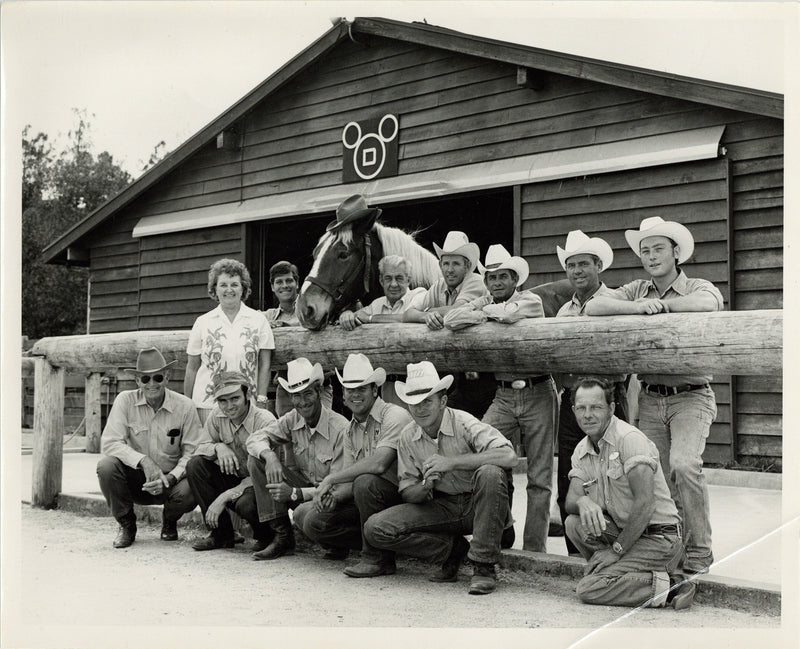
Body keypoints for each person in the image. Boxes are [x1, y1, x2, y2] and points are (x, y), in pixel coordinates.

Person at [585, 216, 723, 575]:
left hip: (690, 395)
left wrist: (663, 307)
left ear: (676, 252)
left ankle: (699, 554)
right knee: (656, 476)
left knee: (684, 465)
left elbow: (710, 303)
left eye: (658, 248)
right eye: (645, 251)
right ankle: (673, 553)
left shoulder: (696, 285)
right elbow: (594, 306)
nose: (651, 256)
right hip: (648, 396)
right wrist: (637, 307)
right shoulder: (637, 290)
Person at [364, 361, 517, 595]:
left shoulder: (464, 422)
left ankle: (484, 566)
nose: (420, 409)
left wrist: (452, 462)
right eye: (414, 403)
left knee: (490, 472)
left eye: (427, 401)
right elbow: (407, 491)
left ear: (443, 401)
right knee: (376, 528)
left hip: (478, 504)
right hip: (443, 505)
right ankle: (451, 550)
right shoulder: (407, 436)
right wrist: (425, 486)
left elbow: (509, 456)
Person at [444, 244, 556, 553]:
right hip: (504, 394)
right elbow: (452, 318)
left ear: (515, 279)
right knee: (481, 452)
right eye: (491, 278)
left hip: (537, 390)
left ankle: (534, 551)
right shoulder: (486, 300)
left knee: (539, 476)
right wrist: (485, 310)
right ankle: (498, 532)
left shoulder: (531, 299)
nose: (496, 283)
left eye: (503, 277)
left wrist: (482, 313)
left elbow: (510, 314)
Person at [565, 377, 694, 609]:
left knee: (588, 589)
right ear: (573, 411)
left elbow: (646, 504)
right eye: (581, 408)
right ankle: (623, 574)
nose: (588, 415)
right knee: (574, 523)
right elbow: (571, 500)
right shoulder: (582, 449)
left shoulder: (628, 439)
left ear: (611, 408)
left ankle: (672, 585)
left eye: (596, 407)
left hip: (659, 539)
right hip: (628, 534)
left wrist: (616, 551)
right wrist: (583, 501)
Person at [292, 353, 413, 573]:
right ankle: (388, 542)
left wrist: (330, 479)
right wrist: (333, 497)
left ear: (374, 390)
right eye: (349, 389)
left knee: (366, 482)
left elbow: (379, 464)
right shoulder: (350, 429)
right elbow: (350, 481)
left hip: (405, 497)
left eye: (361, 389)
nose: (354, 395)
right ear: (344, 395)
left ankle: (376, 558)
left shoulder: (394, 415)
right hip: (369, 499)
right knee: (306, 516)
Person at [553, 230, 629, 554]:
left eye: (583, 264)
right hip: (573, 401)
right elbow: (555, 358)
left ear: (598, 265)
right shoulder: (563, 312)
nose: (577, 271)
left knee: (615, 473)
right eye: (571, 265)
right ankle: (577, 554)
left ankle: (618, 547)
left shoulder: (617, 301)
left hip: (608, 398)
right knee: (569, 474)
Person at [96, 347, 202, 548]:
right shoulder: (124, 400)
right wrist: (144, 461)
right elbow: (110, 442)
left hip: (171, 481)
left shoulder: (186, 406)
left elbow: (192, 452)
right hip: (137, 479)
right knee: (106, 467)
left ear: (167, 377)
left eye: (158, 377)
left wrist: (171, 478)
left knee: (192, 485)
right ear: (137, 381)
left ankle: (170, 520)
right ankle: (126, 525)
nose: (152, 384)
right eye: (145, 379)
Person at [246, 357, 349, 560]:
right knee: (257, 459)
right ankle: (282, 537)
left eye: (308, 393)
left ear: (318, 392)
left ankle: (336, 542)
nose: (302, 402)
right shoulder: (293, 418)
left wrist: (294, 493)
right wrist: (270, 456)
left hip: (330, 497)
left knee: (309, 515)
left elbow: (337, 487)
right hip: (303, 490)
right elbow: (254, 439)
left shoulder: (340, 429)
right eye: (296, 395)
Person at [404, 231, 495, 417]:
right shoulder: (439, 285)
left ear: (467, 266)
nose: (450, 269)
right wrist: (426, 317)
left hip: (483, 369)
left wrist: (429, 312)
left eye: (456, 264)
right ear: (440, 265)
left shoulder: (475, 281)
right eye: (446, 263)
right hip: (459, 369)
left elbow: (455, 312)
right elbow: (408, 314)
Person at [185, 371, 278, 551]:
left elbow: (268, 472)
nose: (229, 406)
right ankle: (221, 534)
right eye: (222, 401)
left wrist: (225, 496)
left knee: (246, 503)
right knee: (195, 466)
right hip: (234, 476)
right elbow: (200, 447)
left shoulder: (265, 421)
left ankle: (266, 536)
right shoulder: (216, 415)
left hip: (259, 484)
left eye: (235, 398)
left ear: (247, 394)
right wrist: (218, 447)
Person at [184, 258, 274, 423]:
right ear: (215, 289)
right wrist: (187, 405)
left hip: (247, 406)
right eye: (223, 285)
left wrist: (261, 399)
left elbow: (265, 365)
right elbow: (192, 367)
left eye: (234, 284)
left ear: (243, 288)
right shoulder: (202, 322)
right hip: (207, 406)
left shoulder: (259, 321)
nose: (229, 290)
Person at [338, 255, 426, 406]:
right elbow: (357, 316)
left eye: (399, 278)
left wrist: (371, 318)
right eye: (388, 278)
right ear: (381, 280)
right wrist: (346, 315)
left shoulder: (419, 295)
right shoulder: (377, 304)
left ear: (409, 279)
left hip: (416, 387)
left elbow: (407, 318)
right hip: (386, 387)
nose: (393, 284)